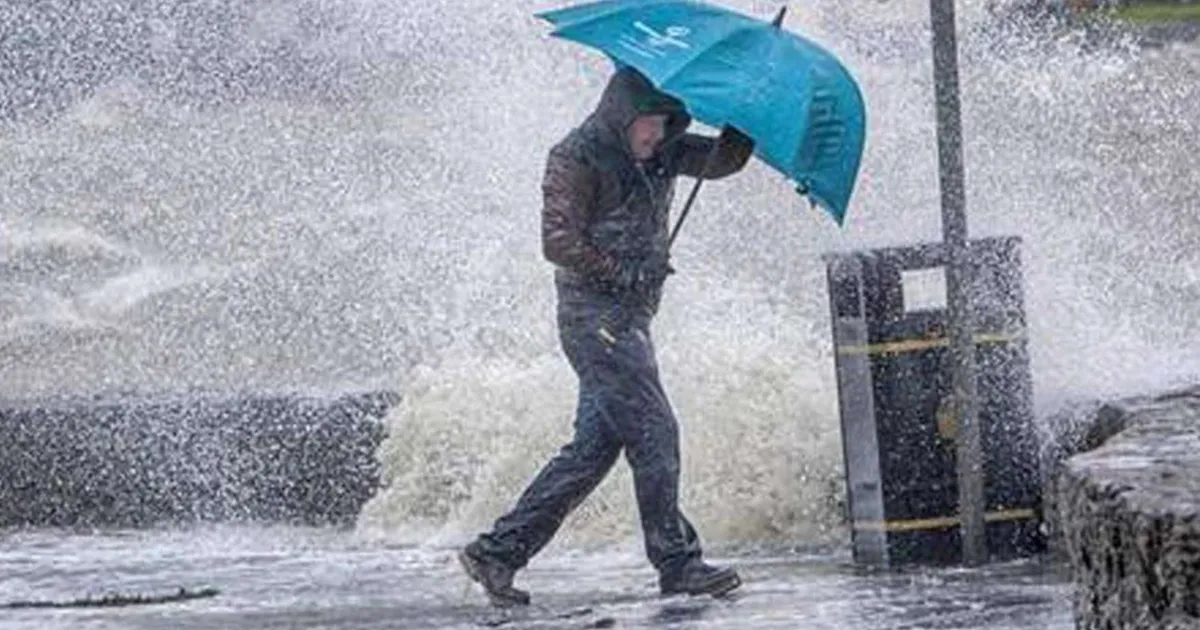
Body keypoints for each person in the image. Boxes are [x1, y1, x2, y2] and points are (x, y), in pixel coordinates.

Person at [459, 66, 755, 607]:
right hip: (593, 319)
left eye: (667, 124)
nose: (657, 136)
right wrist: (622, 273)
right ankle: (678, 563)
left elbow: (721, 162)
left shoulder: (663, 149)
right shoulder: (576, 156)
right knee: (656, 431)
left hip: (630, 320)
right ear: (623, 115)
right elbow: (557, 242)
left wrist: (745, 119)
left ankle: (497, 552)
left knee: (592, 450)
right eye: (649, 124)